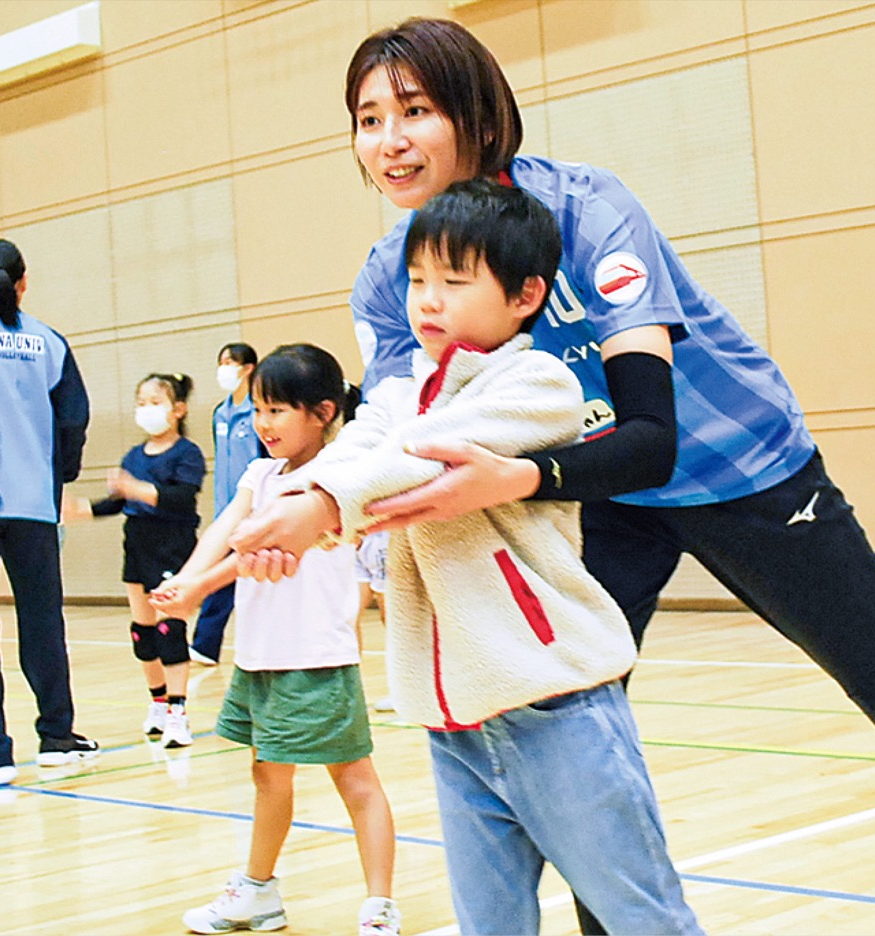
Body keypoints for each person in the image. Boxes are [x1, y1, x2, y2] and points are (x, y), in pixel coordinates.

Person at [334, 17, 875, 934]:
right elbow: (395, 436)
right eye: (369, 119)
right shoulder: (389, 279)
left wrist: (515, 480)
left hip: (737, 465)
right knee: (575, 742)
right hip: (587, 499)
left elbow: (653, 433)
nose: (390, 139)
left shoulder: (586, 209)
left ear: (477, 114)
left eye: (414, 109)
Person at [231, 183, 700, 935]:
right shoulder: (399, 391)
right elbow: (357, 449)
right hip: (455, 729)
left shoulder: (539, 385)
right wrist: (292, 510)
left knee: (644, 918)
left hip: (555, 705)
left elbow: (417, 462)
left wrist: (318, 507)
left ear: (525, 295)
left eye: (455, 281)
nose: (428, 300)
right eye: (419, 280)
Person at [150, 344, 402, 936]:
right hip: (262, 656)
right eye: (258, 410)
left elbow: (258, 554)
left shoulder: (334, 480)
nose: (262, 425)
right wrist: (185, 579)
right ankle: (259, 892)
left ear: (322, 411)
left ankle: (379, 904)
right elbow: (226, 530)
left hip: (318, 657)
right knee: (268, 774)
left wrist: (198, 590)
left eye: (277, 411)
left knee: (355, 781)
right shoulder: (261, 473)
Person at [0, 238, 98, 787]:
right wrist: (59, 476)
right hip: (33, 505)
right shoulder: (49, 344)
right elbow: (74, 419)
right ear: (23, 283)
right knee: (42, 622)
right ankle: (57, 737)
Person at [67, 373, 205, 749]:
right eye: (140, 402)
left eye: (155, 402)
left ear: (178, 409)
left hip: (171, 547)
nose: (146, 409)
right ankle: (158, 704)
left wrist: (136, 489)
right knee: (142, 634)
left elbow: (180, 498)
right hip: (138, 546)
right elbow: (119, 501)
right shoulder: (133, 456)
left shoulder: (186, 454)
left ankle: (179, 713)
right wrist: (81, 509)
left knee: (169, 631)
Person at [189, 342, 264, 666]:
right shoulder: (220, 413)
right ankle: (205, 645)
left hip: (257, 508)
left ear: (248, 368)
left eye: (230, 362)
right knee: (221, 576)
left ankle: (211, 644)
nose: (224, 369)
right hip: (226, 510)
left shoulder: (259, 411)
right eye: (221, 362)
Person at [353, 530, 393, 712]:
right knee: (347, 616)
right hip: (354, 537)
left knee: (393, 620)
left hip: (386, 536)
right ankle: (351, 691)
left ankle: (402, 689)